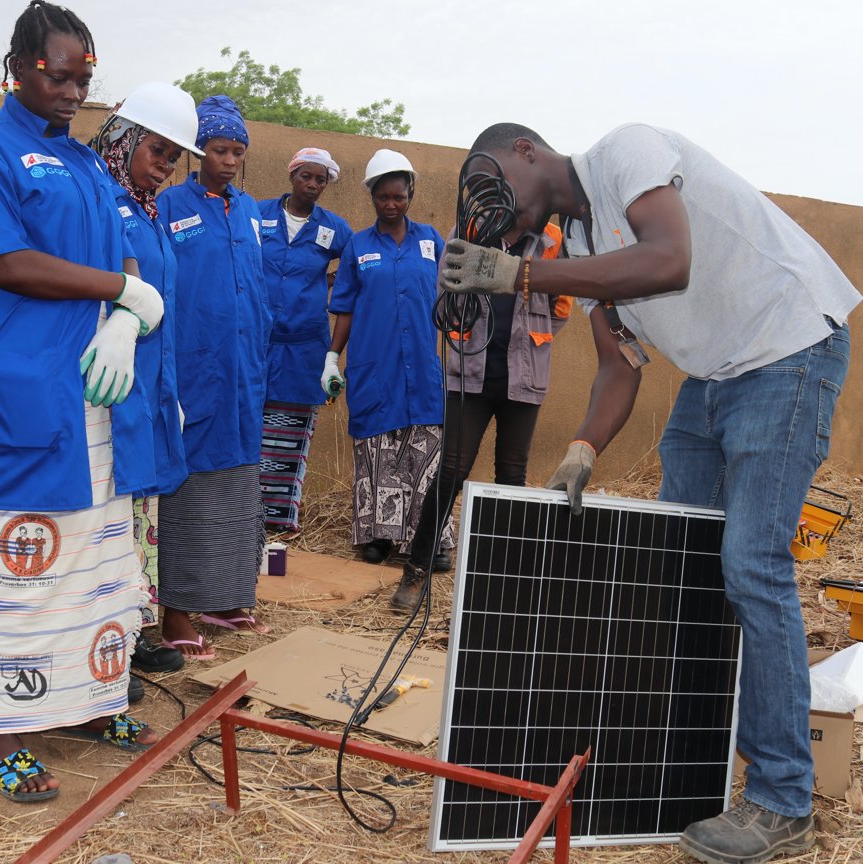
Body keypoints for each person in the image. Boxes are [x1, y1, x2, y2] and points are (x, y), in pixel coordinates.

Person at [440, 122, 860, 864]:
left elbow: (666, 260)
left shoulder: (624, 153)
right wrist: (582, 449)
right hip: (714, 377)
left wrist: (520, 277)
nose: (497, 207)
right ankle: (685, 765)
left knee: (751, 566)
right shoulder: (576, 247)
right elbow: (619, 367)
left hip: (787, 350)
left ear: (526, 153)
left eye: (494, 175)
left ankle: (783, 801)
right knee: (677, 563)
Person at [0, 0, 160, 803]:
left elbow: (119, 253)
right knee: (20, 561)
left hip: (98, 396)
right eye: (55, 75)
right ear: (17, 69)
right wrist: (122, 289)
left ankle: (87, 699)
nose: (71, 91)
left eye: (84, 78)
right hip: (28, 394)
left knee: (98, 558)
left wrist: (127, 321)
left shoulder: (88, 163)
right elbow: (5, 263)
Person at [390, 221, 570, 609]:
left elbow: (561, 306)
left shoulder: (552, 238)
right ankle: (416, 572)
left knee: (511, 476)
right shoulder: (470, 227)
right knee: (451, 470)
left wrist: (529, 337)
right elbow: (445, 289)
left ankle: (506, 581)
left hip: (524, 374)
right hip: (471, 371)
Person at [92, 81, 205, 676]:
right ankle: (113, 633)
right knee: (113, 510)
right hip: (111, 382)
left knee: (144, 511)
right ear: (126, 138)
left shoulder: (146, 209)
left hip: (154, 380)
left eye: (172, 157)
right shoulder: (100, 198)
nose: (164, 166)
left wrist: (174, 392)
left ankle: (140, 625)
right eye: (156, 150)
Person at [155, 95, 273, 659]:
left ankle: (225, 599)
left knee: (238, 492)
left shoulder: (250, 212)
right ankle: (176, 609)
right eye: (219, 149)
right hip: (194, 372)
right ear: (198, 151)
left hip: (244, 376)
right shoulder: (167, 206)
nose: (229, 160)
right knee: (188, 492)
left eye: (237, 151)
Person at [325, 149, 453, 565]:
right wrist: (332, 357)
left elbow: (450, 297)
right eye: (383, 197)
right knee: (378, 452)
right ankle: (379, 538)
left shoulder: (431, 240)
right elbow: (344, 307)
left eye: (399, 196)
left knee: (425, 454)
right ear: (372, 198)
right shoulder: (358, 246)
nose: (392, 204)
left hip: (422, 365)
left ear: (410, 194)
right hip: (374, 365)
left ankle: (427, 540)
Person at [257, 148, 352, 533]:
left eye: (320, 180)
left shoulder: (335, 228)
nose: (312, 185)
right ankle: (243, 516)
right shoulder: (256, 214)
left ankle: (279, 521)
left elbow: (358, 266)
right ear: (291, 175)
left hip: (302, 348)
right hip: (256, 342)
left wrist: (334, 287)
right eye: (306, 177)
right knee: (249, 426)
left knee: (290, 430)